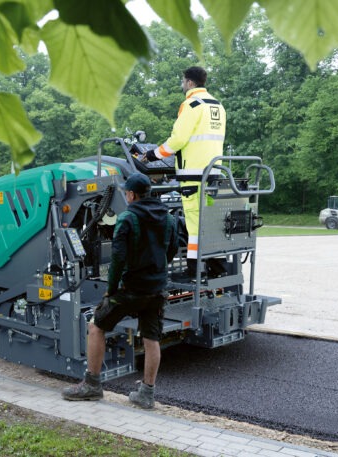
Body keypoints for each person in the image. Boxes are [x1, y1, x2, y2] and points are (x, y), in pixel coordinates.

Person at [62, 172, 178, 409]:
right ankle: (147, 394)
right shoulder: (169, 218)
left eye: (127, 192)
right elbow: (172, 250)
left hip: (130, 289)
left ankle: (92, 385)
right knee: (151, 338)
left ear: (132, 194)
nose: (126, 195)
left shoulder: (127, 218)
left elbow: (117, 260)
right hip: (156, 289)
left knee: (96, 326)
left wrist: (110, 290)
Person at [144, 66, 226, 278]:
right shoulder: (217, 105)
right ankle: (217, 269)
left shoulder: (191, 105)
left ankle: (194, 271)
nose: (182, 85)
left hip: (193, 177)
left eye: (183, 81)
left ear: (190, 82)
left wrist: (153, 155)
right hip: (213, 174)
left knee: (194, 225)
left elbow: (178, 140)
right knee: (211, 222)